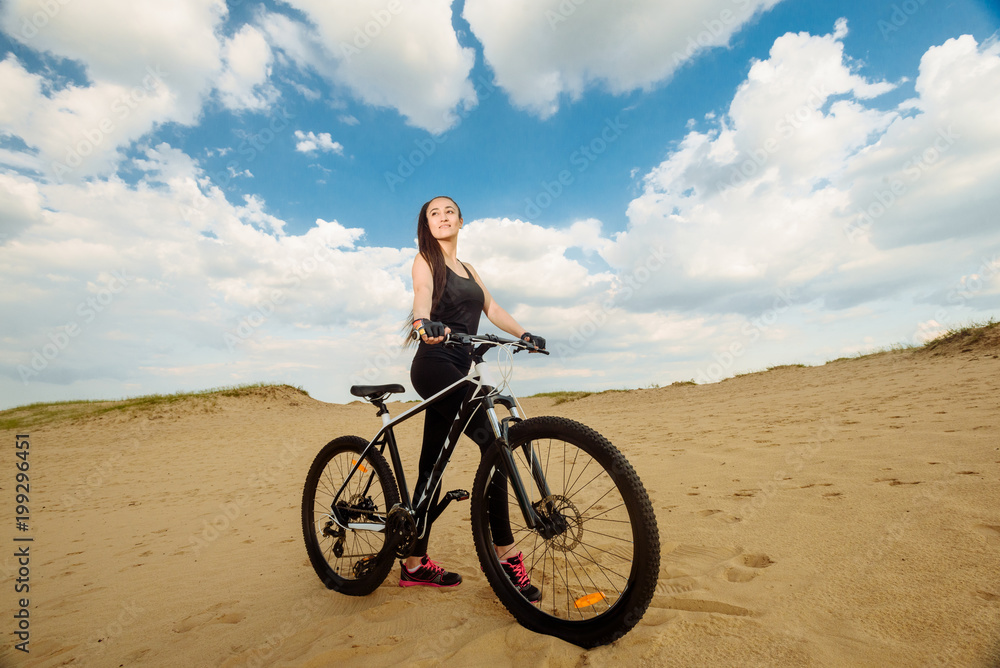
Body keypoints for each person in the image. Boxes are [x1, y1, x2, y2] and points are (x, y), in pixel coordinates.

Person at [402, 195, 545, 601]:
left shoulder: (469, 269)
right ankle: (505, 555)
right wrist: (421, 322)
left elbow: (493, 307)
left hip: (461, 366)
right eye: (434, 213)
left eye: (449, 212)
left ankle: (412, 564)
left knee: (432, 464)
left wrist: (524, 335)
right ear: (426, 225)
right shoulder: (424, 260)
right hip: (434, 364)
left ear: (461, 221)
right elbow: (421, 292)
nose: (442, 217)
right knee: (496, 446)